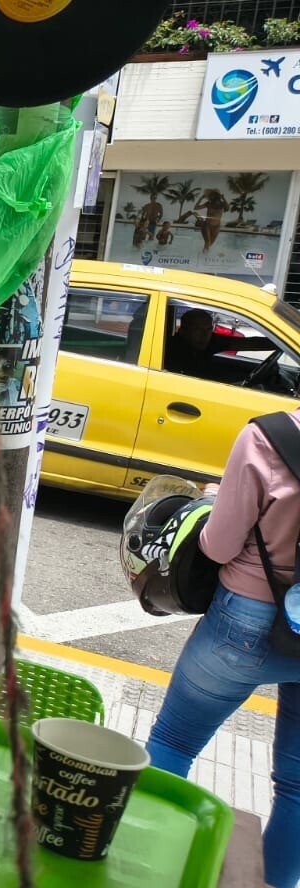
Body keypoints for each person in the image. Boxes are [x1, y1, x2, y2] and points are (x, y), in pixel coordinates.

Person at [146, 409, 300, 886]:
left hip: (246, 620)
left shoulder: (269, 437)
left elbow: (217, 545)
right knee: (297, 787)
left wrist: (213, 501)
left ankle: (151, 871)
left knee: (173, 742)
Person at [163, 308, 278, 381]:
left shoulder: (210, 340)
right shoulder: (169, 350)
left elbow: (250, 343)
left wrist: (281, 344)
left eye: (208, 329)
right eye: (197, 329)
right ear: (183, 330)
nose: (204, 334)